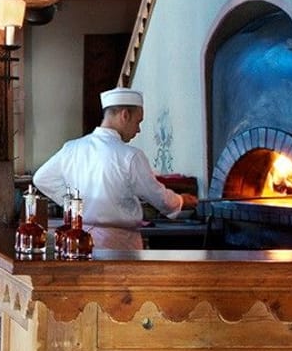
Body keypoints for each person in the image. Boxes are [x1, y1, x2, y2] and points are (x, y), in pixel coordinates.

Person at [33, 87, 198, 251]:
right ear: (125, 115)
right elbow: (159, 197)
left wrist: (75, 204)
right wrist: (181, 201)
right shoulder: (130, 155)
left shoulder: (72, 148)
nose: (138, 130)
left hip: (78, 240)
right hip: (119, 242)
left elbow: (41, 178)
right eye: (138, 122)